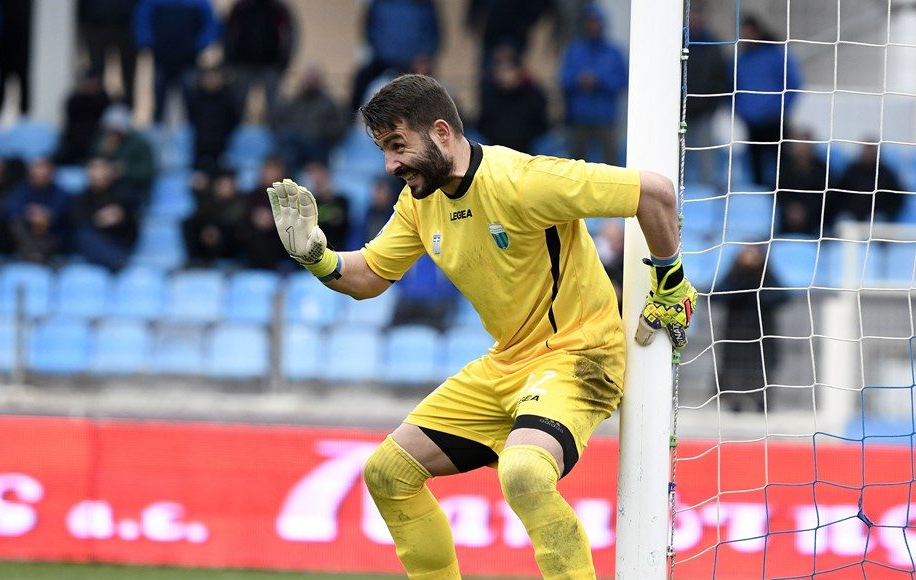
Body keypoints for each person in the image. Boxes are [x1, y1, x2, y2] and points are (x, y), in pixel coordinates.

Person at [266, 74, 697, 578]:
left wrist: (671, 283)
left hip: (580, 354)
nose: (390, 165)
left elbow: (655, 193)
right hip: (508, 361)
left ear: (441, 132)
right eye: (384, 151)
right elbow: (369, 276)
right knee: (388, 473)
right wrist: (316, 256)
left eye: (398, 145)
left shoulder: (523, 180)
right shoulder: (419, 203)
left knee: (524, 472)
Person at [712, 244, 788, 412]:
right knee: (734, 369)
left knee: (762, 368)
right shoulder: (733, 275)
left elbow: (782, 296)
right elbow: (716, 296)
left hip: (762, 333)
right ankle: (734, 402)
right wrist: (741, 285)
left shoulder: (767, 276)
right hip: (735, 334)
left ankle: (762, 402)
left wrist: (757, 293)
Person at [734, 14, 802, 189]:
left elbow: (793, 84)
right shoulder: (741, 60)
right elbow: (732, 88)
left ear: (758, 32)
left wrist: (779, 109)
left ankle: (784, 196)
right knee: (755, 168)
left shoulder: (776, 55)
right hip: (752, 123)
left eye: (749, 32)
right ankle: (758, 201)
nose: (746, 37)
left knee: (782, 166)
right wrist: (741, 111)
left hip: (775, 121)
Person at [558, 4, 627, 165]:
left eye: (596, 22)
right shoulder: (575, 50)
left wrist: (599, 81)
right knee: (576, 163)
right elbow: (563, 79)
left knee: (611, 162)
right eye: (590, 22)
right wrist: (579, 80)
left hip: (605, 118)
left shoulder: (613, 52)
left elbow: (622, 81)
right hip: (579, 117)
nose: (593, 26)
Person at [133, 0, 220, 122]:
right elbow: (143, 18)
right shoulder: (152, 2)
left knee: (191, 97)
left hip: (188, 58)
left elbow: (210, 24)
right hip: (161, 56)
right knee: (159, 97)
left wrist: (199, 45)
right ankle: (157, 126)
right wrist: (147, 42)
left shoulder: (199, 3)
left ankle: (191, 127)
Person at [349, 0, 440, 111]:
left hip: (415, 64)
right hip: (383, 62)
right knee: (362, 82)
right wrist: (383, 54)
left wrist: (424, 56)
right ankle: (353, 116)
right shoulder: (379, 4)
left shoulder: (423, 4)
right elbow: (371, 31)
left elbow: (432, 34)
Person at [223, 0, 296, 122]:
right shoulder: (241, 7)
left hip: (271, 65)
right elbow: (228, 34)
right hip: (243, 64)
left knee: (273, 107)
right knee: (237, 105)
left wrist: (284, 61)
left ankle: (273, 131)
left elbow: (289, 35)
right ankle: (237, 131)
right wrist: (230, 60)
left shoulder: (279, 8)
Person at [685, 4, 730, 190]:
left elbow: (721, 76)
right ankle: (675, 182)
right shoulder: (679, 42)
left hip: (705, 109)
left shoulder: (713, 44)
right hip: (682, 109)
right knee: (679, 149)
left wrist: (714, 102)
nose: (696, 20)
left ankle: (707, 186)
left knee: (705, 149)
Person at [270, 64, 345, 173]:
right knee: (286, 143)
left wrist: (321, 134)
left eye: (313, 79)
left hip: (316, 147)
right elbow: (277, 120)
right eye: (308, 79)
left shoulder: (328, 104)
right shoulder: (294, 101)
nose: (310, 83)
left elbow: (339, 127)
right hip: (294, 146)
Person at [476, 44, 549, 153]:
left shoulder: (532, 93)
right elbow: (484, 124)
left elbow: (541, 124)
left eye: (508, 70)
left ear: (518, 72)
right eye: (500, 71)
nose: (504, 75)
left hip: (529, 150)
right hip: (495, 149)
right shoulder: (489, 93)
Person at [70, 158, 140, 271]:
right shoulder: (82, 198)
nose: (98, 174)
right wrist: (98, 219)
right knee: (83, 236)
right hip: (94, 241)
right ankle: (115, 261)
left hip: (118, 241)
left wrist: (121, 215)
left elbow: (134, 207)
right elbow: (78, 221)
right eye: (94, 170)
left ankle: (115, 261)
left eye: (102, 170)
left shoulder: (123, 194)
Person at [90, 104, 156, 208]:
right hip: (106, 191)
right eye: (110, 131)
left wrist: (124, 171)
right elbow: (93, 163)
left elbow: (148, 172)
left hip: (132, 191)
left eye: (117, 131)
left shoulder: (139, 144)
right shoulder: (101, 143)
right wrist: (104, 154)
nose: (113, 135)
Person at [6, 158, 70, 264]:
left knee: (61, 229)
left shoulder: (61, 193)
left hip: (50, 231)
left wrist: (44, 216)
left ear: (52, 173)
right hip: (27, 231)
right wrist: (30, 215)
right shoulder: (20, 190)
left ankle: (35, 255)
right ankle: (33, 255)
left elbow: (60, 212)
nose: (41, 173)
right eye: (37, 169)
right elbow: (12, 210)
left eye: (44, 169)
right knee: (16, 224)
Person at [828, 141, 906, 226]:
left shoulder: (886, 173)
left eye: (871, 151)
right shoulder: (851, 171)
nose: (868, 154)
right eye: (866, 150)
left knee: (879, 221)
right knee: (844, 220)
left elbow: (897, 197)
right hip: (852, 215)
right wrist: (845, 210)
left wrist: (886, 212)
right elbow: (838, 193)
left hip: (877, 216)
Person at [78, 0, 138, 103]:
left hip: (125, 25)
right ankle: (97, 105)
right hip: (96, 24)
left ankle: (127, 105)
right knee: (97, 70)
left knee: (128, 71)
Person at [182, 169, 245, 266]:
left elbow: (233, 221)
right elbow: (201, 216)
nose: (224, 189)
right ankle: (196, 259)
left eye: (227, 185)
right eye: (221, 185)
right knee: (190, 224)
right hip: (208, 239)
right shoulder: (209, 200)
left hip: (231, 243)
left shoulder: (241, 201)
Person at [186, 64, 240, 174]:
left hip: (222, 147)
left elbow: (234, 120)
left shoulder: (228, 98)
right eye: (208, 77)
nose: (211, 81)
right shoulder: (195, 97)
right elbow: (191, 118)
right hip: (200, 147)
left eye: (214, 77)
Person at [54, 69, 112, 166]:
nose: (90, 86)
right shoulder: (74, 99)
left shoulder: (102, 100)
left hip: (94, 140)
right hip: (73, 141)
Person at [775, 130, 827, 237]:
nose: (803, 148)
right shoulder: (785, 167)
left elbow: (826, 196)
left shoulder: (822, 169)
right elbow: (779, 191)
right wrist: (791, 208)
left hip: (813, 218)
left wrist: (805, 209)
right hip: (787, 215)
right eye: (800, 145)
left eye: (807, 145)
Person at [0, 0, 32, 116]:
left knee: (22, 78)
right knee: (1, 80)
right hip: (4, 46)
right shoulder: (0, 5)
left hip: (19, 46)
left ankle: (25, 112)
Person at [303, 161, 350, 251]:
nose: (316, 178)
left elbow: (338, 221)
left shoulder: (342, 201)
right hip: (312, 251)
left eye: (319, 173)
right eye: (312, 174)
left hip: (337, 252)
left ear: (327, 174)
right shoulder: (308, 203)